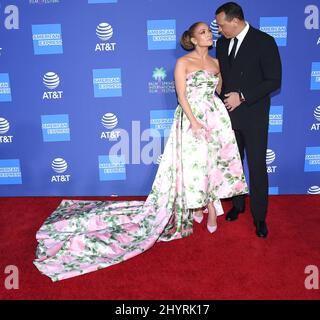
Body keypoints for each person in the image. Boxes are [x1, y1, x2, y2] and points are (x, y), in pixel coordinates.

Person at [33, 22, 247, 281]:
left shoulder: (216, 62)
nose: (209, 34)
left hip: (215, 118)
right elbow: (181, 95)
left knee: (214, 163)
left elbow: (218, 89)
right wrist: (192, 120)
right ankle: (199, 208)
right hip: (192, 119)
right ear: (192, 38)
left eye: (209, 31)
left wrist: (218, 111)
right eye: (203, 32)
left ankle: (206, 208)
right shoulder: (183, 62)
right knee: (194, 165)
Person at [215, 2, 282, 238]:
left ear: (235, 21)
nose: (220, 30)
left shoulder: (264, 42)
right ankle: (238, 205)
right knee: (233, 165)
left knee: (256, 167)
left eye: (222, 25)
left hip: (254, 116)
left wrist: (242, 97)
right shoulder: (222, 43)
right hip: (228, 116)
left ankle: (260, 217)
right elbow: (223, 75)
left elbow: (274, 80)